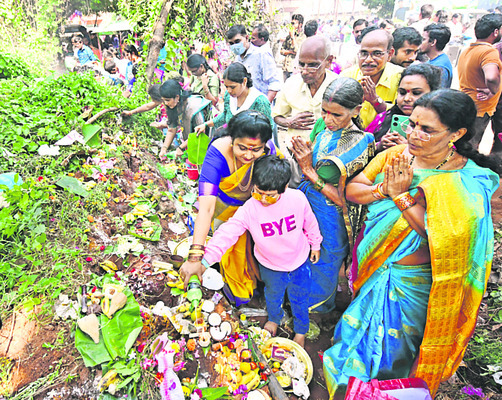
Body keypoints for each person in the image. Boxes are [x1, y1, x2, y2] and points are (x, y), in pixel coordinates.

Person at [323, 89, 500, 398]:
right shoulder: (397, 155)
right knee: (355, 334)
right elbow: (353, 190)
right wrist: (384, 189)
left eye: (427, 129)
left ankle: (380, 391)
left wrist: (402, 196)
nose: (414, 134)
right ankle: (348, 387)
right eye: (412, 124)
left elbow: (444, 238)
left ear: (456, 134)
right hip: (378, 267)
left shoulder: (467, 180)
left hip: (413, 285)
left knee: (393, 352)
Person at [195, 155, 322, 347]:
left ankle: (301, 332)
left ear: (285, 188)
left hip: (299, 262)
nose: (262, 199)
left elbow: (310, 223)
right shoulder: (250, 209)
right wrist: (203, 261)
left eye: (269, 195)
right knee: (273, 295)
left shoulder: (297, 199)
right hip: (270, 266)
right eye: (257, 192)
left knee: (300, 298)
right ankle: (274, 319)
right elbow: (227, 233)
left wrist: (315, 244)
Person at [290, 78, 375, 313]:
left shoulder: (361, 141)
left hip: (331, 212)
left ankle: (315, 312)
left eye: (336, 115)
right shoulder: (322, 127)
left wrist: (308, 170)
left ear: (356, 110)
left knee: (325, 261)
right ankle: (295, 299)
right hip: (306, 202)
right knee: (301, 251)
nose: (328, 120)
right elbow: (311, 152)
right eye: (324, 112)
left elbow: (346, 198)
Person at [179, 110, 280, 306]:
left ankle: (263, 290)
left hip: (256, 207)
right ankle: (238, 295)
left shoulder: (269, 152)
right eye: (242, 148)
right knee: (228, 250)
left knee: (257, 251)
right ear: (232, 140)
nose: (249, 155)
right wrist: (194, 257)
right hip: (223, 210)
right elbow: (206, 208)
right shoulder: (217, 153)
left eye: (256, 150)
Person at [273, 36, 338, 152]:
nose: (305, 71)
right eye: (301, 64)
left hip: (327, 157)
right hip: (294, 153)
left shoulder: (339, 86)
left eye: (313, 65)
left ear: (329, 61)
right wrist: (289, 122)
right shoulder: (291, 84)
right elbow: (277, 116)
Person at [366, 63, 441, 152]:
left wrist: (409, 149)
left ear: (433, 94)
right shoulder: (383, 118)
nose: (406, 98)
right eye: (402, 92)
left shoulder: (439, 126)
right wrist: (378, 146)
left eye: (416, 93)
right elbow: (360, 148)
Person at [341, 28, 403, 128]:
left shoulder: (401, 77)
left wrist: (376, 101)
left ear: (390, 54)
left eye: (377, 54)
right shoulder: (346, 77)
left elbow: (402, 119)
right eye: (364, 53)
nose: (368, 60)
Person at [458, 14, 502, 153]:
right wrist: (493, 90)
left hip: (468, 104)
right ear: (495, 32)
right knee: (469, 148)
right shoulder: (489, 51)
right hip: (480, 109)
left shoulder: (468, 50)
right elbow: (491, 77)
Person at [195, 63, 272, 134]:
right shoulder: (229, 96)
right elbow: (225, 116)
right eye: (226, 86)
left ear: (244, 81)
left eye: (232, 87)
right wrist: (205, 125)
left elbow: (267, 130)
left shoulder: (259, 101)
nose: (229, 90)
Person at [157, 78, 211, 157]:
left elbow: (200, 132)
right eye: (164, 100)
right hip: (193, 143)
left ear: (177, 97)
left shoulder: (194, 106)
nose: (166, 103)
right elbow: (172, 129)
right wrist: (164, 149)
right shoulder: (173, 106)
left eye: (168, 100)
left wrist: (181, 147)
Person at [226, 25, 281, 102]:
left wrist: (264, 106)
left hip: (259, 106)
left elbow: (274, 83)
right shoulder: (237, 60)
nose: (235, 45)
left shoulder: (261, 54)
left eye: (237, 41)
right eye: (231, 43)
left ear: (247, 38)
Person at [419, 24, 453, 88]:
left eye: (423, 39)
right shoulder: (435, 61)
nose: (420, 42)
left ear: (433, 42)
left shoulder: (440, 67)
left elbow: (437, 95)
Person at [281, 14, 306, 81]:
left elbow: (297, 51)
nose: (291, 26)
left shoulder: (303, 37)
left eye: (293, 23)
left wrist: (292, 37)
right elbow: (282, 51)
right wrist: (289, 52)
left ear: (300, 24)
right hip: (286, 67)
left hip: (295, 68)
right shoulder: (288, 36)